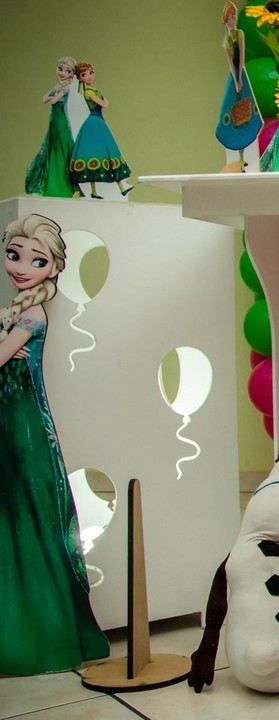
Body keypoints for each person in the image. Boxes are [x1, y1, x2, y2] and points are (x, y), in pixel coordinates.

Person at [1, 214, 109, 676]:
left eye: (37, 260)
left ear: (52, 267)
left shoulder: (32, 315)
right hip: (9, 420)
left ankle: (42, 631)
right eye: (14, 255)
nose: (22, 266)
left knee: (28, 512)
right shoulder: (14, 311)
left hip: (24, 426)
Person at [69, 62, 135, 198]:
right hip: (94, 123)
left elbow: (106, 103)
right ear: (80, 78)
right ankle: (98, 190)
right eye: (84, 75)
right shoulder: (88, 92)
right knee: (96, 153)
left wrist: (105, 102)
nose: (89, 76)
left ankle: (119, 188)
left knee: (106, 151)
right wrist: (104, 101)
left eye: (91, 73)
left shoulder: (94, 90)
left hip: (98, 121)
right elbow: (104, 103)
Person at [216, 1, 264, 172]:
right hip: (234, 75)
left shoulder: (240, 34)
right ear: (226, 19)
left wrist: (241, 78)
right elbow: (231, 64)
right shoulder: (226, 41)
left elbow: (241, 57)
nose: (234, 19)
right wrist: (235, 81)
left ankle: (245, 158)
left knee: (248, 114)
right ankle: (239, 159)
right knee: (233, 117)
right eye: (232, 16)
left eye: (235, 15)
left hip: (241, 73)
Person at [25, 57, 79, 198]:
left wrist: (53, 97)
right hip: (53, 122)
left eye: (67, 71)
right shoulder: (58, 86)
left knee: (61, 148)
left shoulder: (67, 87)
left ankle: (64, 185)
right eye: (60, 69)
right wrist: (53, 96)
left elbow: (53, 100)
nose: (62, 73)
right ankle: (51, 182)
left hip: (61, 122)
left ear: (72, 74)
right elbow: (44, 99)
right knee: (52, 148)